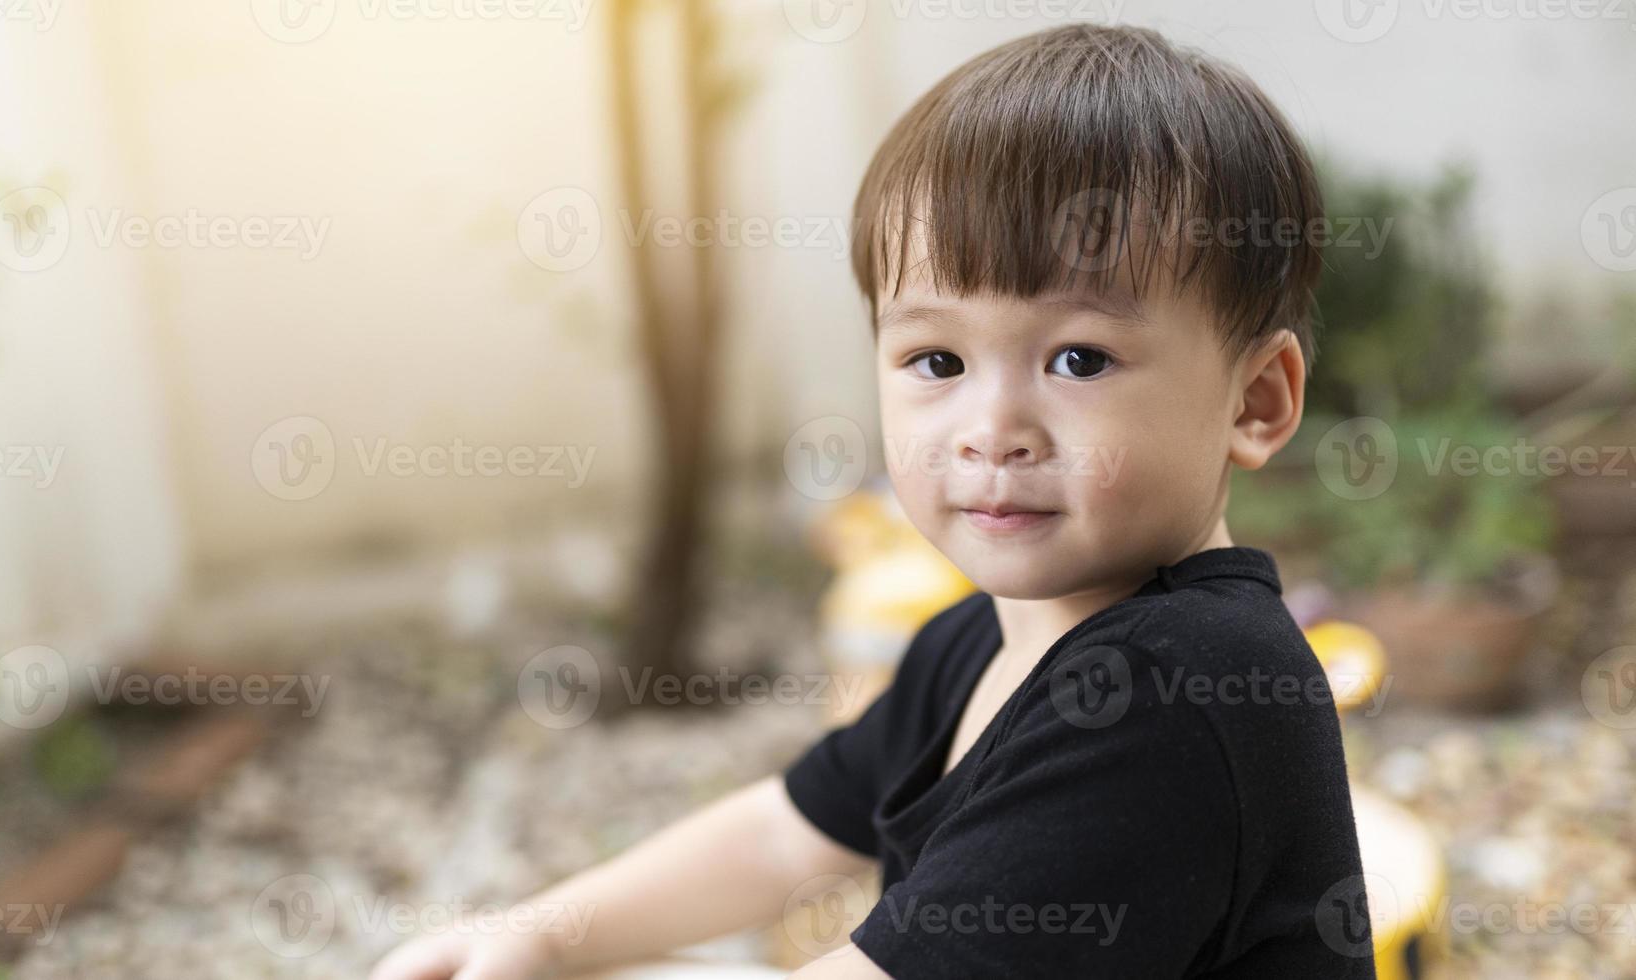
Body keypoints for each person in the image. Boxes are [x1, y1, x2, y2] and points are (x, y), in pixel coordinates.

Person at [372, 22, 1374, 980]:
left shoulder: (1178, 685)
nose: (993, 425)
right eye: (936, 358)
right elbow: (780, 833)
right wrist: (543, 932)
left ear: (1254, 399)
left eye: (1078, 357)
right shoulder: (973, 642)